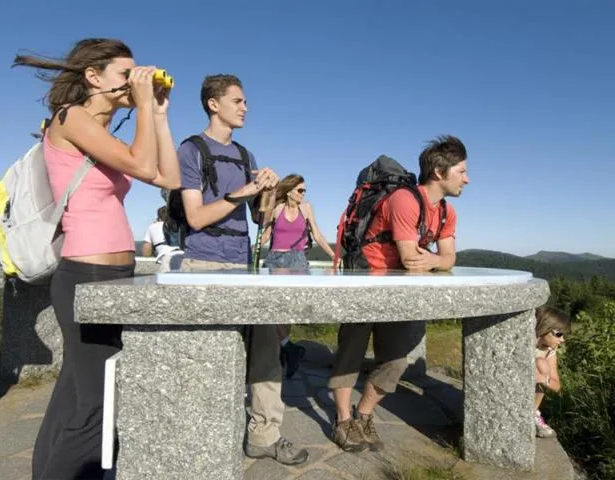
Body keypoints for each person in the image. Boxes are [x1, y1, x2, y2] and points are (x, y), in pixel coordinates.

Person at [14, 38, 180, 480]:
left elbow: (168, 177)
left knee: (74, 390)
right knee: (96, 401)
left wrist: (158, 113)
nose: (133, 82)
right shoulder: (73, 118)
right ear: (93, 76)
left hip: (111, 274)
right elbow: (144, 168)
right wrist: (143, 105)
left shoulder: (104, 136)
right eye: (125, 74)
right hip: (86, 274)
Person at [178, 74, 308, 465]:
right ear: (213, 104)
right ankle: (201, 434)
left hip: (242, 263)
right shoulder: (191, 150)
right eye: (237, 100)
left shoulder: (245, 155)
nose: (245, 107)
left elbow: (260, 219)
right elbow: (196, 217)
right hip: (203, 262)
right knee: (208, 357)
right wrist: (244, 192)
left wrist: (267, 190)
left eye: (245, 101)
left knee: (267, 350)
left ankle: (265, 435)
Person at [328, 135, 469, 452]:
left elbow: (448, 258)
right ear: (438, 171)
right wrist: (435, 260)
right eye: (461, 171)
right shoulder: (404, 200)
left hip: (397, 291)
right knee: (350, 355)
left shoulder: (447, 213)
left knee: (395, 361)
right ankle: (342, 420)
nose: (467, 178)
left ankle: (363, 415)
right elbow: (410, 259)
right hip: (365, 282)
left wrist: (434, 260)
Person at [260, 174, 335, 378]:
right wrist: (251, 255)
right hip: (275, 260)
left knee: (288, 310)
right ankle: (288, 348)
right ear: (290, 191)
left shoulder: (306, 208)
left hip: (297, 262)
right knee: (271, 308)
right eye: (300, 190)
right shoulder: (277, 208)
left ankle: (285, 351)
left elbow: (317, 234)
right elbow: (265, 235)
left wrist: (335, 257)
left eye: (304, 190)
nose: (303, 194)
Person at [534, 305, 571, 438]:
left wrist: (542, 379)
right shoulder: (524, 343)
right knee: (540, 362)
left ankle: (531, 413)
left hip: (530, 391)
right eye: (559, 334)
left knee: (542, 363)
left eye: (564, 335)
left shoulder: (549, 351)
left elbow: (556, 386)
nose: (562, 340)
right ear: (545, 328)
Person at [142, 205, 183, 271]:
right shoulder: (180, 225)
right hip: (184, 256)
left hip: (166, 258)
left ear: (159, 217)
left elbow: (146, 252)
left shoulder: (153, 226)